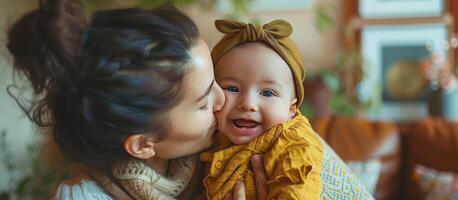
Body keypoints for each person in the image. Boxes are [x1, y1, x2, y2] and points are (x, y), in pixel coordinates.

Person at [6, 0, 267, 199]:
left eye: (215, 82)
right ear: (142, 144)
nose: (222, 100)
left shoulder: (225, 158)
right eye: (202, 102)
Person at [200, 19, 374, 199]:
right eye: (232, 88)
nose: (248, 103)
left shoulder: (294, 143)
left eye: (267, 93)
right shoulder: (216, 137)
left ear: (291, 108)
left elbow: (295, 191)